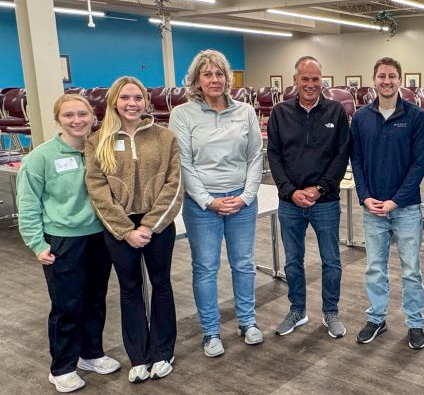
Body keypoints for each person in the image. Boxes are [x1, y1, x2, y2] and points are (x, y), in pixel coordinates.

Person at [17, 94, 121, 393]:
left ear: (93, 116)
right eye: (69, 116)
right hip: (62, 241)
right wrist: (37, 244)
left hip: (99, 237)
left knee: (95, 300)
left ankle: (91, 354)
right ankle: (61, 367)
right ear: (58, 120)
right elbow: (28, 204)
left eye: (83, 114)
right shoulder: (42, 157)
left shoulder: (99, 151)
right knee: (67, 305)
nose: (77, 120)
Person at [85, 76, 183, 383]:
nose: (132, 103)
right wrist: (126, 230)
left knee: (161, 286)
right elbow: (97, 190)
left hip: (157, 224)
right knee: (129, 290)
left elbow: (174, 184)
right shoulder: (97, 141)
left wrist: (149, 225)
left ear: (146, 101)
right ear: (115, 101)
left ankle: (164, 352)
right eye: (126, 97)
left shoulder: (165, 137)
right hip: (119, 228)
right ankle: (138, 356)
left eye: (138, 97)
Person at [169, 50, 264, 358]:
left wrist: (247, 196)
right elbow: (184, 164)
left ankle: (247, 322)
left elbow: (255, 156)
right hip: (202, 205)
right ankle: (210, 331)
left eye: (220, 74)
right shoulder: (182, 114)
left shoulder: (245, 111)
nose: (214, 80)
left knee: (244, 264)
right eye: (207, 74)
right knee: (206, 268)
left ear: (228, 78)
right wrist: (209, 201)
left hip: (242, 200)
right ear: (196, 79)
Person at [267, 56, 350, 338]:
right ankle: (297, 310)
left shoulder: (336, 112)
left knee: (331, 260)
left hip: (324, 202)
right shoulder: (280, 113)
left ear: (322, 81)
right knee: (292, 261)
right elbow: (274, 156)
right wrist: (291, 191)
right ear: (295, 81)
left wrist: (320, 189)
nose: (311, 84)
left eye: (316, 79)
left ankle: (331, 312)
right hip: (290, 203)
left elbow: (341, 156)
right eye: (305, 79)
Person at [350, 57, 424, 349]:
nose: (387, 81)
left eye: (392, 76)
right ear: (374, 80)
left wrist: (396, 201)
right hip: (372, 208)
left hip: (406, 208)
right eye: (382, 76)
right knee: (375, 268)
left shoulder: (417, 117)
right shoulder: (360, 118)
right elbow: (356, 160)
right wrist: (365, 196)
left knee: (411, 270)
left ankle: (415, 323)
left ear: (400, 80)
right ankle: (376, 318)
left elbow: (419, 164)